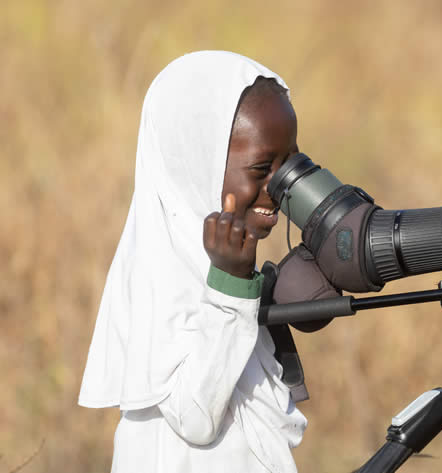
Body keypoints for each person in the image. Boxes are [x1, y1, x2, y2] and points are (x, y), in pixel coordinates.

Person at [78, 51, 307, 473]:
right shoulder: (160, 275)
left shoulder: (217, 262)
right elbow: (195, 416)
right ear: (194, 165)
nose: (278, 186)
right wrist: (232, 289)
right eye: (260, 168)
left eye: (290, 163)